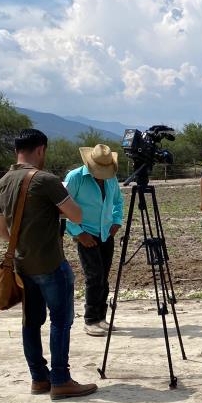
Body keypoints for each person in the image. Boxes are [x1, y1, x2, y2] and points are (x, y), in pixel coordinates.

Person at [0, 129, 98, 400]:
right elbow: (76, 215)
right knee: (61, 321)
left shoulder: (2, 183)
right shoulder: (46, 180)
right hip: (50, 263)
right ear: (41, 149)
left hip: (22, 264)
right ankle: (61, 380)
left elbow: (3, 232)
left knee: (32, 322)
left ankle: (39, 379)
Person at [64, 144, 124, 337]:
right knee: (94, 276)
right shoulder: (75, 178)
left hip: (106, 233)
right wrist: (78, 233)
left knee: (104, 277)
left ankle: (101, 317)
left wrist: (116, 221)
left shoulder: (111, 179)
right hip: (86, 233)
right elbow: (62, 208)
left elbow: (118, 201)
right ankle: (90, 319)